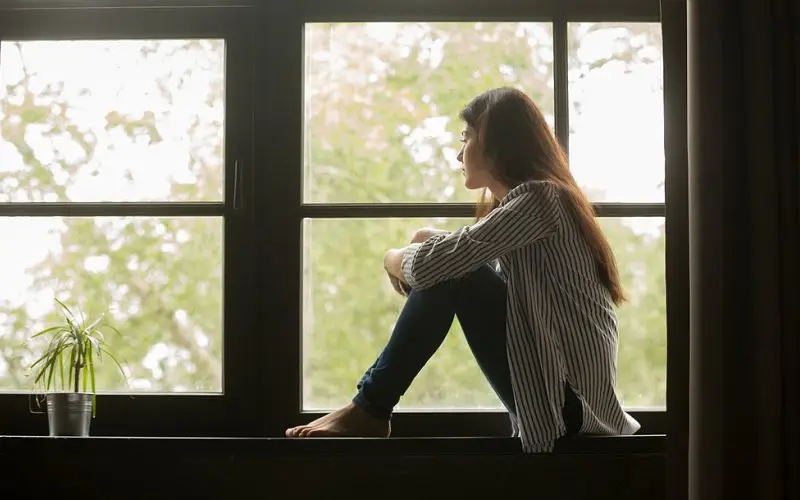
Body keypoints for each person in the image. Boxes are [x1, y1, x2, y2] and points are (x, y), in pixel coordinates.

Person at [285, 87, 641, 452]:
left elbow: (435, 267)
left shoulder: (540, 200)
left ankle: (370, 408)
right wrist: (427, 239)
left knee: (453, 271)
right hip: (562, 407)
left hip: (569, 413)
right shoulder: (541, 205)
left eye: (466, 137)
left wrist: (392, 257)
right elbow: (467, 262)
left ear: (496, 142)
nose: (459, 153)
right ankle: (369, 408)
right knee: (451, 266)